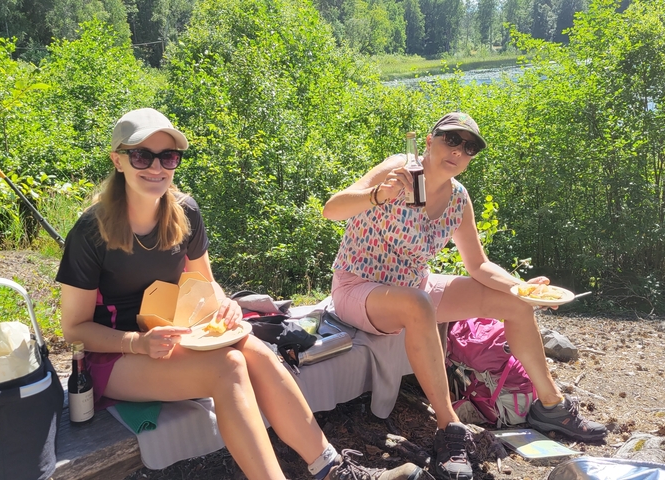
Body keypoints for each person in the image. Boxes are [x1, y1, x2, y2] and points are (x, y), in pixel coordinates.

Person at [56, 108, 434, 480]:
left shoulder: (184, 211)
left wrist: (225, 307)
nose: (157, 168)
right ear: (118, 161)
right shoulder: (93, 231)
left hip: (174, 336)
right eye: (142, 155)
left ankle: (333, 469)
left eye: (168, 157)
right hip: (115, 354)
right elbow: (74, 329)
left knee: (255, 350)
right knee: (230, 368)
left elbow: (205, 284)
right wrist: (138, 343)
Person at [322, 112, 607, 480]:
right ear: (429, 140)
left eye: (469, 147)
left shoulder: (458, 198)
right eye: (451, 140)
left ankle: (552, 406)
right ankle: (450, 428)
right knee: (419, 303)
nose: (459, 150)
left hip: (413, 285)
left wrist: (524, 288)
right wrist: (379, 194)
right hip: (358, 286)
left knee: (515, 305)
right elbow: (331, 210)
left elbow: (478, 264)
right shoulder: (400, 168)